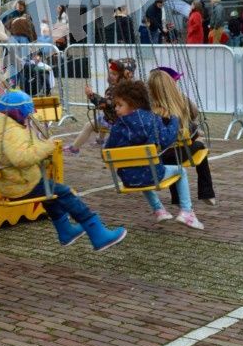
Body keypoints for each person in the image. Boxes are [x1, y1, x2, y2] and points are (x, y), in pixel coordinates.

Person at [0, 89, 126, 250]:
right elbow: (21, 158)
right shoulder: (10, 132)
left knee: (50, 193)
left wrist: (37, 141)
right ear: (17, 113)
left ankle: (65, 231)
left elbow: (15, 152)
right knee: (66, 193)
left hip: (13, 181)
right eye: (26, 114)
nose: (27, 117)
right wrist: (47, 146)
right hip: (22, 184)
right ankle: (98, 234)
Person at [103, 79, 204, 229]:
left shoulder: (117, 127)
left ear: (133, 103)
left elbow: (107, 150)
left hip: (128, 179)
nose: (116, 109)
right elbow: (167, 139)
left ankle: (159, 210)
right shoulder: (152, 118)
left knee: (140, 170)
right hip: (154, 175)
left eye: (119, 105)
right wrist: (174, 120)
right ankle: (187, 212)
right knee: (180, 171)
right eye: (116, 105)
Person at [148, 68, 217, 208]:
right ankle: (206, 192)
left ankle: (177, 198)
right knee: (200, 146)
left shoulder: (150, 111)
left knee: (172, 158)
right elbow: (194, 115)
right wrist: (180, 96)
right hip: (177, 154)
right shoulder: (178, 108)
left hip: (159, 157)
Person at [65, 57, 136, 154]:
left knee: (91, 125)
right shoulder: (121, 85)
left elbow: (107, 103)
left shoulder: (119, 89)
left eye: (114, 74)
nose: (111, 76)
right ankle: (99, 140)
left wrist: (91, 95)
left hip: (116, 120)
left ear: (122, 76)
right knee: (101, 118)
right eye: (110, 73)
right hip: (111, 116)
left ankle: (74, 148)